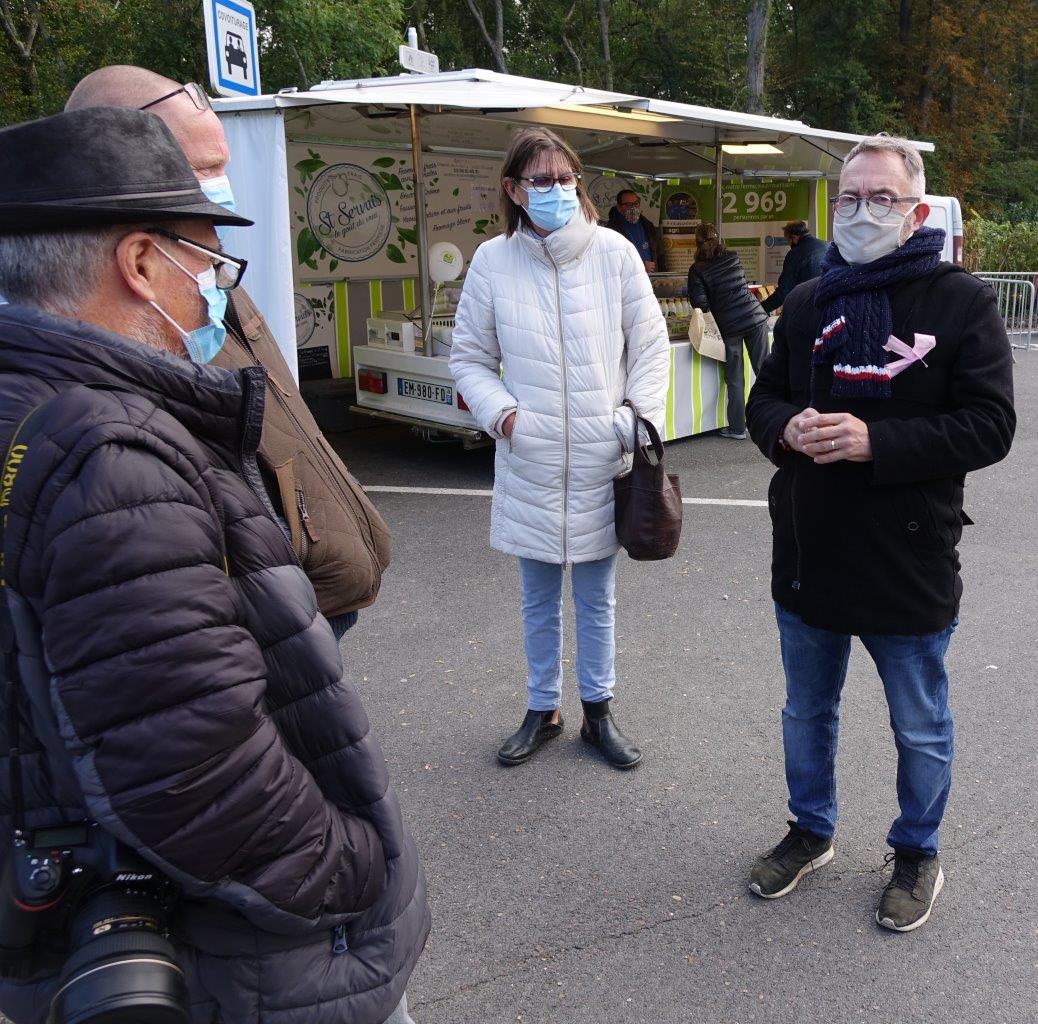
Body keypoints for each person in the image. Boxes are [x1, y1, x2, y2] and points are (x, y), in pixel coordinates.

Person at [0, 107, 428, 1023]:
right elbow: (199, 779)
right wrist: (354, 862)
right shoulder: (110, 459)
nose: (212, 294)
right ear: (141, 264)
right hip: (246, 956)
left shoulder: (36, 407)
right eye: (205, 262)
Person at [745, 135, 1015, 932]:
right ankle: (811, 831)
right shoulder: (808, 301)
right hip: (809, 545)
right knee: (807, 712)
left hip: (909, 551)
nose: (862, 212)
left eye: (881, 199)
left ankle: (917, 851)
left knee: (920, 720)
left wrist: (878, 441)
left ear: (916, 210)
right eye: (850, 199)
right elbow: (764, 402)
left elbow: (991, 425)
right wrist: (788, 426)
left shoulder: (960, 301)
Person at [66, 66, 390, 642]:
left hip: (309, 595)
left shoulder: (212, 274)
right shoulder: (121, 320)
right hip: (263, 621)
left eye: (225, 166)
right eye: (207, 167)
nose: (223, 186)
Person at [449, 127, 669, 770]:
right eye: (539, 181)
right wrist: (506, 417)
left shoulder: (615, 254)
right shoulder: (493, 260)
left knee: (598, 598)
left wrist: (633, 421)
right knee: (538, 597)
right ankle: (542, 709)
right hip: (533, 458)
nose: (555, 190)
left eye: (565, 178)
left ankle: (598, 712)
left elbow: (650, 347)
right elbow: (469, 358)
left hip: (605, 457)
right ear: (514, 190)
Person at [687, 223, 770, 439]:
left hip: (730, 326)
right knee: (765, 371)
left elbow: (700, 304)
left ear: (697, 241)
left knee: (735, 379)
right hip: (755, 317)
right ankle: (774, 420)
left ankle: (737, 428)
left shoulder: (697, 269)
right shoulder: (732, 257)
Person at [760, 220, 828, 314]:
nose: (789, 245)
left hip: (808, 310)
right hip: (829, 307)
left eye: (788, 241)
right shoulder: (827, 246)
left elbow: (784, 292)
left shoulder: (795, 254)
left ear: (794, 238)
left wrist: (761, 309)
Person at [606, 189, 659, 272]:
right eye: (628, 204)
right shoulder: (611, 230)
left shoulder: (648, 226)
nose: (633, 207)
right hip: (627, 280)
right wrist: (641, 265)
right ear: (619, 207)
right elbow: (613, 259)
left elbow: (659, 254)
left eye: (635, 203)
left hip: (651, 279)